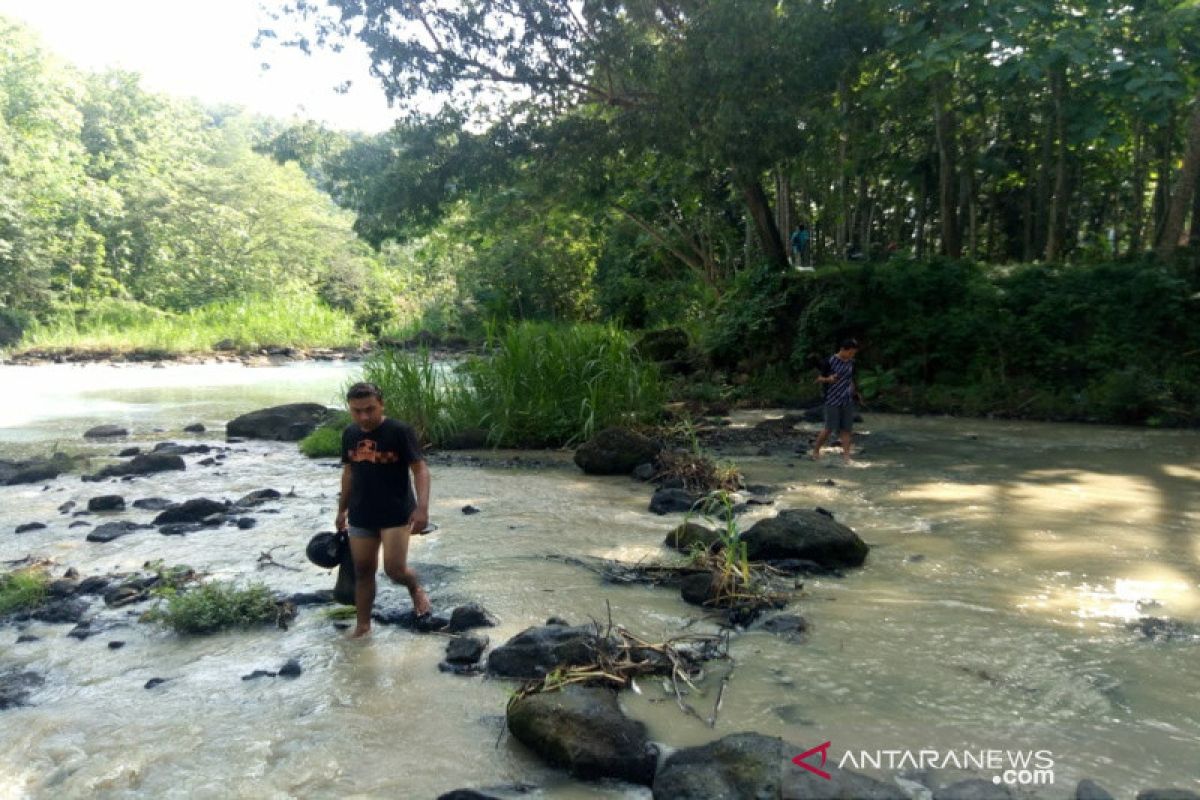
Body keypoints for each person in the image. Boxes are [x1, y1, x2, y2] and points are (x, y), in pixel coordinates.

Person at [336, 381, 432, 638]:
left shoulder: (399, 431)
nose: (364, 416)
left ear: (381, 404)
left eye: (369, 409)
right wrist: (341, 509)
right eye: (357, 411)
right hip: (361, 513)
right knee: (363, 570)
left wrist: (422, 509)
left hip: (396, 512)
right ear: (350, 410)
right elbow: (349, 473)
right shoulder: (350, 434)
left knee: (394, 570)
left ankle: (415, 588)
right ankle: (363, 626)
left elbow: (420, 469)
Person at [812, 339, 862, 463]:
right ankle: (815, 451)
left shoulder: (852, 362)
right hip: (831, 398)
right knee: (829, 428)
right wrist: (829, 379)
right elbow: (818, 379)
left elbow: (850, 379)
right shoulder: (829, 361)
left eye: (853, 353)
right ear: (843, 349)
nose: (852, 355)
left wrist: (855, 393)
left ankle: (846, 456)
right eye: (850, 353)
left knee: (846, 429)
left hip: (847, 399)